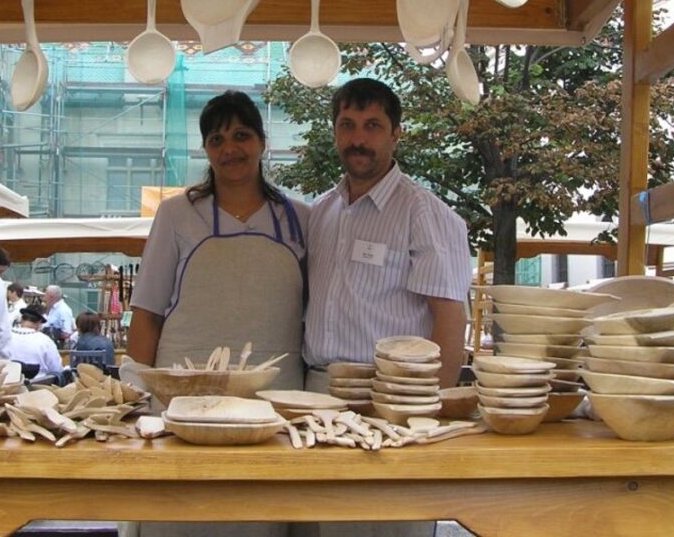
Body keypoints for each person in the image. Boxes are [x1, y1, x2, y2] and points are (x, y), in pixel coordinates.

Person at [122, 90, 308, 537]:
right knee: (182, 512)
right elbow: (147, 314)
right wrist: (131, 397)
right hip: (182, 392)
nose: (230, 149)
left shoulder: (301, 218)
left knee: (260, 515)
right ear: (206, 149)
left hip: (274, 396)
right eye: (217, 139)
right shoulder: (175, 215)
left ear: (263, 143)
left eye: (241, 135)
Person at [301, 78, 472, 537]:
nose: (359, 138)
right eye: (348, 124)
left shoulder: (426, 214)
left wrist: (422, 415)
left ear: (397, 133)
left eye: (373, 125)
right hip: (314, 400)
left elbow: (450, 320)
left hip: (390, 402)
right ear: (334, 132)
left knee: (385, 526)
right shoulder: (320, 213)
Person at [7, 304, 65, 383]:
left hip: (8, 382)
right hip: (37, 385)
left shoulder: (7, 336)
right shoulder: (45, 341)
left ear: (21, 319)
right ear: (39, 322)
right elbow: (57, 368)